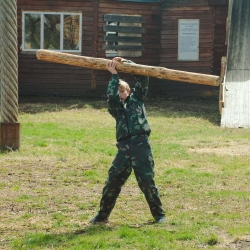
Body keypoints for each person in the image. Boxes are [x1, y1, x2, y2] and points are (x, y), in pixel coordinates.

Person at [90, 57, 166, 223]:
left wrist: (127, 62)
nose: (120, 94)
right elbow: (111, 96)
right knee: (112, 182)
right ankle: (102, 216)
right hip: (124, 148)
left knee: (147, 182)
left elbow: (143, 76)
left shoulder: (137, 99)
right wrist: (114, 75)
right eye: (118, 92)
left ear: (129, 91)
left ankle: (159, 215)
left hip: (141, 146)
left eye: (123, 91)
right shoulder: (116, 109)